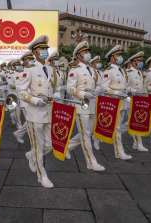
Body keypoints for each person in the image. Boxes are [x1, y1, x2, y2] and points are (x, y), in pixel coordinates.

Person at [18, 35, 61, 188]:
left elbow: (57, 86)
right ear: (35, 52)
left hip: (49, 112)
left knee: (50, 144)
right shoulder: (29, 70)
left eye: (46, 49)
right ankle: (42, 175)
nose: (45, 51)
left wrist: (56, 94)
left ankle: (32, 156)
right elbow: (21, 91)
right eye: (42, 49)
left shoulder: (51, 69)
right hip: (35, 113)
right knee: (39, 146)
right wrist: (35, 100)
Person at [67, 41, 105, 171]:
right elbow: (70, 89)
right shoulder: (74, 70)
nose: (88, 54)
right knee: (86, 134)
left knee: (88, 132)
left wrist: (99, 88)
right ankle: (91, 162)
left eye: (88, 52)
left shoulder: (93, 70)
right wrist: (83, 94)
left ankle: (67, 147)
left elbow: (98, 83)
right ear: (78, 56)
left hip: (92, 104)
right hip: (81, 105)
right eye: (85, 52)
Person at [101, 45, 132, 160]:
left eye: (120, 55)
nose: (120, 57)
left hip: (123, 102)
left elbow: (123, 85)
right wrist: (116, 92)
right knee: (117, 128)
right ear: (112, 58)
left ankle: (101, 136)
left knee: (116, 127)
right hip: (114, 102)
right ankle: (119, 152)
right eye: (118, 55)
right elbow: (104, 87)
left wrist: (127, 89)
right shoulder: (109, 71)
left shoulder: (122, 70)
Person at [125, 51, 149, 151]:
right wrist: (134, 90)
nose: (141, 63)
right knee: (134, 121)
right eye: (139, 61)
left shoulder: (140, 72)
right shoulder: (128, 73)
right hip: (130, 100)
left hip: (139, 100)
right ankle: (137, 143)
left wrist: (143, 90)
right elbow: (124, 88)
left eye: (141, 61)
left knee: (131, 122)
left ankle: (137, 143)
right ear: (133, 62)